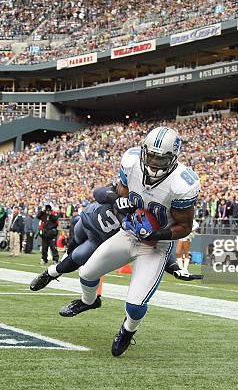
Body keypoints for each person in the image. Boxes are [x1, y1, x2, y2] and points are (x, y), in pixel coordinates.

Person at [58, 126, 200, 357]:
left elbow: (183, 227)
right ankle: (89, 301)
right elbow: (118, 193)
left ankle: (127, 330)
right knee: (87, 273)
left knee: (134, 305)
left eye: (160, 158)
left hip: (156, 246)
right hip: (130, 233)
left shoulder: (182, 184)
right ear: (144, 151)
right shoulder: (132, 161)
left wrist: (155, 235)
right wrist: (120, 207)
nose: (153, 162)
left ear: (173, 158)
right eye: (151, 155)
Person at [30, 185, 202, 290]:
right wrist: (115, 198)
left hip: (99, 239)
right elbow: (99, 192)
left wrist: (173, 268)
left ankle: (50, 274)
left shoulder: (155, 216)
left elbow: (161, 245)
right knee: (73, 244)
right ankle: (64, 257)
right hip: (87, 219)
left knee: (78, 258)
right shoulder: (129, 187)